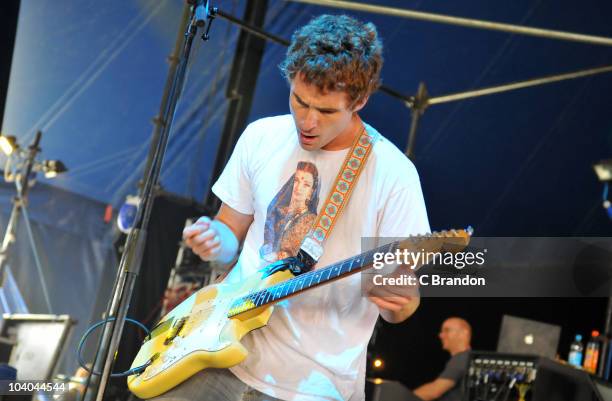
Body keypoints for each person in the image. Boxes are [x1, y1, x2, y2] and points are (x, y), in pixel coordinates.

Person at [168, 14, 430, 401]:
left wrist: (402, 302)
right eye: (299, 101)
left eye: (325, 111)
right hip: (217, 352)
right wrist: (213, 238)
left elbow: (399, 302)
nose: (306, 121)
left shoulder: (394, 174)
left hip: (313, 385)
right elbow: (229, 233)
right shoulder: (261, 136)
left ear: (359, 101)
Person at [413, 318, 472, 401]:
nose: (441, 335)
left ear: (464, 333)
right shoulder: (464, 359)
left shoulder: (462, 358)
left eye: (447, 330)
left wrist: (403, 397)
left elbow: (435, 391)